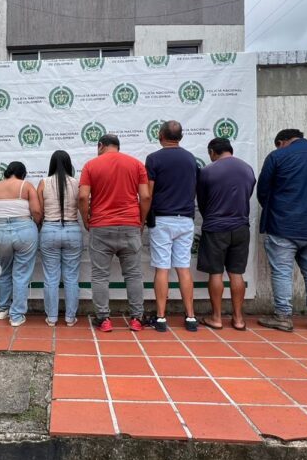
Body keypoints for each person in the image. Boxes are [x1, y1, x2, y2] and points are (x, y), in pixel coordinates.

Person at [256, 129, 307, 333]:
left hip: (284, 224)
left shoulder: (277, 156)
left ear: (282, 142)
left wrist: (274, 209)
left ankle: (283, 316)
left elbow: (263, 190)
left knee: (282, 272)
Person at [78, 134, 151, 333]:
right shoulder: (136, 164)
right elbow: (145, 196)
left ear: (100, 145)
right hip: (130, 225)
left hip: (101, 226)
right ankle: (136, 319)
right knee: (134, 274)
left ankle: (104, 320)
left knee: (100, 275)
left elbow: (83, 196)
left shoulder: (91, 166)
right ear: (118, 146)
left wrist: (87, 219)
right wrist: (140, 221)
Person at [145, 120, 200, 333]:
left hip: (162, 219)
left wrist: (143, 217)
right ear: (181, 136)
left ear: (160, 135)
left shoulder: (154, 159)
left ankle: (160, 318)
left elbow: (148, 193)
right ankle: (191, 317)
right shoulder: (190, 159)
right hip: (185, 219)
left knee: (162, 268)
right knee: (184, 268)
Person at [196, 137, 256, 331]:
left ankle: (217, 318)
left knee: (216, 273)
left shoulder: (207, 171)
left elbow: (202, 202)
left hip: (215, 227)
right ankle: (238, 319)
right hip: (241, 226)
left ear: (213, 152)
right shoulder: (247, 169)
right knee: (236, 273)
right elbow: (247, 194)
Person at [0, 161, 42, 327]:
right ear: (23, 174)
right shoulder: (26, 186)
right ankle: (17, 316)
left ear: (7, 172)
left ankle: (1, 310)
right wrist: (37, 223)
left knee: (5, 270)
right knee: (21, 273)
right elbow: (36, 211)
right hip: (24, 229)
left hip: (1, 231)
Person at [37, 150, 83, 327]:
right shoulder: (76, 183)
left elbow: (39, 212)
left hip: (49, 228)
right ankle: (70, 318)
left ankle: (52, 317)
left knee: (50, 277)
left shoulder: (43, 183)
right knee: (71, 277)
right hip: (72, 229)